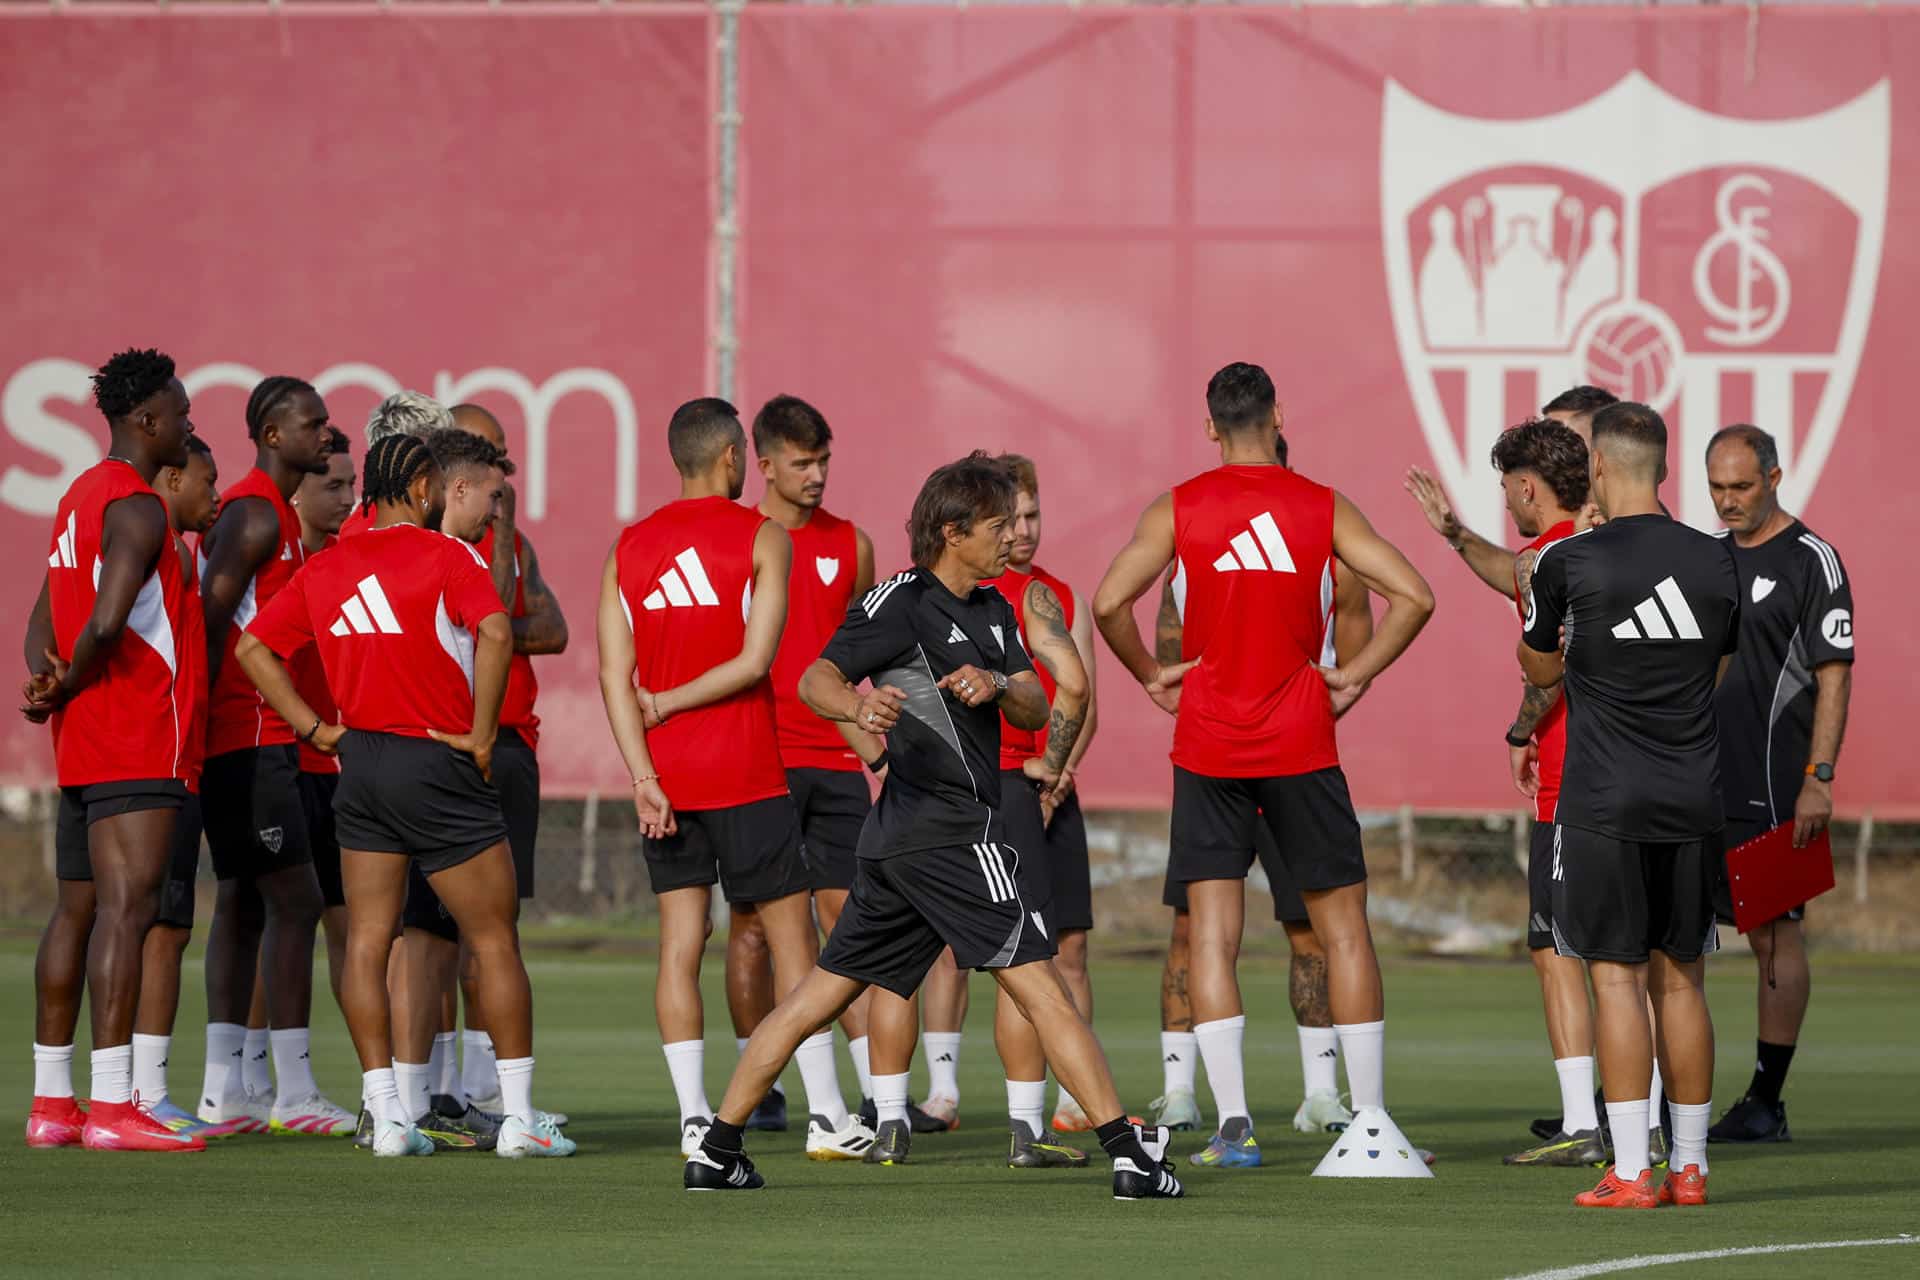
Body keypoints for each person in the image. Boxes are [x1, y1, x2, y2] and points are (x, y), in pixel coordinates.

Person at [682, 452, 1181, 1200]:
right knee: (1043, 988)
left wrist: (998, 684)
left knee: (820, 995)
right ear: (953, 532)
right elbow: (816, 678)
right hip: (948, 835)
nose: (1012, 538)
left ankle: (717, 1150)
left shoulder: (994, 608)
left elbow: (1036, 705)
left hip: (905, 846)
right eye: (997, 526)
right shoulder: (900, 601)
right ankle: (1130, 1157)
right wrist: (858, 707)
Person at [1093, 362, 1434, 1170]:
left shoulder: (1178, 507)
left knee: (1212, 938)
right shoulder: (1324, 505)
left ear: (1210, 426)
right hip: (1301, 743)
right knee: (1342, 931)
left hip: (1209, 744)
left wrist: (1151, 673)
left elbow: (1108, 603)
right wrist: (1353, 675)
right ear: (1279, 415)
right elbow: (1415, 596)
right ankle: (1370, 1123)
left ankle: (1235, 1127)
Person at [235, 432, 573, 1159]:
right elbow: (495, 632)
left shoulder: (328, 566)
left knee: (366, 942)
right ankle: (518, 1119)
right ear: (423, 488)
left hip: (361, 764)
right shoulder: (448, 555)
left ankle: (387, 1116)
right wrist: (483, 734)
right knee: (493, 937)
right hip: (438, 757)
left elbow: (252, 649)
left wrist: (314, 728)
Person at [596, 397, 867, 1161]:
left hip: (668, 780)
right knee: (793, 942)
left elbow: (614, 677)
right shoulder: (763, 536)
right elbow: (755, 662)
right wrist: (672, 701)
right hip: (746, 771)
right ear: (731, 459)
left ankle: (693, 1118)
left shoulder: (628, 546)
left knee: (680, 947)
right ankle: (827, 1115)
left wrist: (643, 775)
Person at [1519, 401, 1738, 1209]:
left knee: (1616, 982)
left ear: (1599, 468)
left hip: (1605, 801)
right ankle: (1690, 1167)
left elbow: (1540, 671)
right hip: (1692, 796)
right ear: (1667, 469)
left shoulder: (1568, 561)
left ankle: (1633, 1171)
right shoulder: (1718, 561)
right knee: (1682, 983)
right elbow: (1718, 669)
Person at [1149, 431, 1376, 1142]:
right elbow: (1165, 637)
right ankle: (1182, 1092)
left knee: (1307, 930)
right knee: (1195, 931)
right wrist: (1186, 692)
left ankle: (1321, 1097)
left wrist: (1326, 698)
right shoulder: (1202, 537)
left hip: (1286, 751)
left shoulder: (1326, 540)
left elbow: (1356, 642)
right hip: (1230, 750)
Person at [21, 347, 203, 1152]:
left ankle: (52, 1104)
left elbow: (42, 618)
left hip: (83, 743)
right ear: (147, 420)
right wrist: (69, 680)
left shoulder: (77, 499)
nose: (188, 424)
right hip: (137, 734)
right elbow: (104, 619)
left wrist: (47, 681)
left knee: (77, 911)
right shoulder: (137, 506)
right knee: (128, 914)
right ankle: (112, 1108)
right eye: (182, 413)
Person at [726, 394, 895, 1134]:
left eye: (824, 460)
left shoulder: (852, 544)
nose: (817, 475)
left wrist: (876, 735)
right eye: (802, 463)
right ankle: (758, 1081)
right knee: (754, 930)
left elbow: (867, 653)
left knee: (852, 925)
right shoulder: (741, 542)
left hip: (835, 759)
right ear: (763, 465)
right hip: (759, 760)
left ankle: (877, 1095)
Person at [194, 376, 353, 1136]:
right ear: (271, 435)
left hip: (255, 738)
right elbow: (209, 620)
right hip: (251, 738)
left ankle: (226, 1090)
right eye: (312, 423)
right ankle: (293, 1091)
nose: (324, 433)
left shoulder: (277, 516)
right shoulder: (255, 512)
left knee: (246, 904)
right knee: (296, 902)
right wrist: (203, 722)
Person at [1702, 424, 1854, 1145]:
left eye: (1741, 486)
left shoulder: (1812, 560)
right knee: (1676, 937)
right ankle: (1651, 1097)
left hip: (1773, 780)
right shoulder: (1707, 558)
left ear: (1773, 478)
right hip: (1696, 780)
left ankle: (1766, 1102)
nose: (1727, 501)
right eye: (1716, 487)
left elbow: (1834, 674)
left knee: (1772, 936)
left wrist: (1818, 777)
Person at [439, 403, 570, 1131]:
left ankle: (483, 1084)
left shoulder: (511, 541)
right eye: (490, 460)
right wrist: (502, 624)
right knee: (436, 928)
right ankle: (438, 1085)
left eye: (506, 460)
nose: (503, 476)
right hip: (454, 742)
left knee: (499, 919)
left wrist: (504, 628)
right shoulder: (444, 542)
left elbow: (553, 629)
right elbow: (483, 613)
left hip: (514, 742)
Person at [127, 433, 222, 1137]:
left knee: (144, 923)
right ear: (170, 478)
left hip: (160, 757)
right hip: (159, 758)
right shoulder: (163, 552)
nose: (215, 496)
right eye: (206, 481)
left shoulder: (172, 551)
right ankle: (143, 1095)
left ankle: (116, 1091)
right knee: (161, 926)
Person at [1403, 385, 1618, 595]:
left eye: (1562, 436)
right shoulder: (1546, 555)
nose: (1549, 445)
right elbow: (1525, 579)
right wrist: (1457, 534)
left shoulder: (1629, 528)